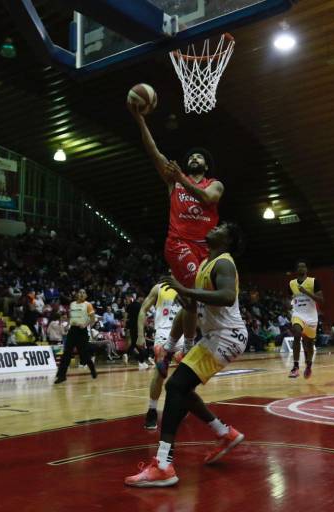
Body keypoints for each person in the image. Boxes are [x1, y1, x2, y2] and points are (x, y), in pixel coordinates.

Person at [125, 222, 246, 488]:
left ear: (227, 241)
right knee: (176, 386)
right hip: (214, 336)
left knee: (177, 387)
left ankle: (164, 465)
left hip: (227, 336)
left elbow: (226, 296)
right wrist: (171, 345)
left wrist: (186, 290)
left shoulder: (224, 262)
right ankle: (223, 432)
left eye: (223, 227)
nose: (216, 226)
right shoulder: (205, 264)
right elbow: (187, 310)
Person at [129, 103, 225, 368]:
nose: (194, 158)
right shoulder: (173, 180)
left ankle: (173, 348)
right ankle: (190, 346)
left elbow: (207, 197)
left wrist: (181, 178)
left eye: (199, 157)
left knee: (192, 301)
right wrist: (139, 120)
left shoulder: (214, 184)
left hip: (206, 249)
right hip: (179, 243)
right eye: (191, 156)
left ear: (206, 165)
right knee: (193, 291)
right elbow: (153, 151)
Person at [138, 280, 186, 430]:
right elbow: (142, 310)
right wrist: (140, 335)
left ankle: (182, 405)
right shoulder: (159, 288)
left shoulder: (188, 287)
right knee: (159, 373)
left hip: (182, 336)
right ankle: (152, 410)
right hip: (163, 335)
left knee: (187, 375)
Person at [288, 261, 324, 379]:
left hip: (311, 316)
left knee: (309, 343)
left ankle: (308, 365)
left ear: (306, 269)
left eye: (303, 266)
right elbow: (289, 300)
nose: (301, 268)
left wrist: (306, 292)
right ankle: (295, 366)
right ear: (296, 270)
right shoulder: (291, 283)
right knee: (297, 334)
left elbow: (321, 300)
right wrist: (289, 304)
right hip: (298, 314)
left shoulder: (314, 281)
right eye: (299, 267)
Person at [54, 289, 97, 384]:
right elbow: (71, 317)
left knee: (84, 354)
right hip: (72, 331)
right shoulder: (72, 304)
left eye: (83, 292)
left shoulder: (88, 305)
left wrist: (85, 325)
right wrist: (68, 325)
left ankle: (92, 369)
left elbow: (93, 319)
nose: (81, 294)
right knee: (66, 353)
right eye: (80, 292)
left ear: (85, 296)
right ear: (77, 294)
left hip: (82, 331)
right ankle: (61, 376)